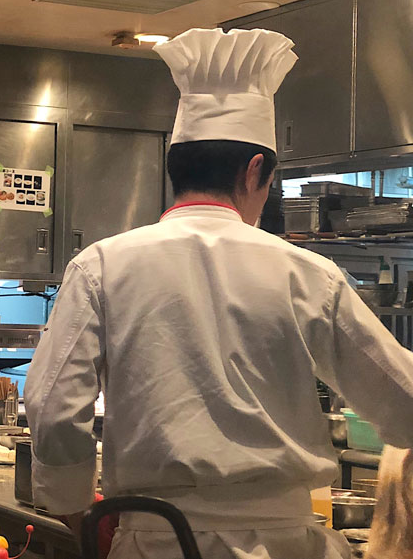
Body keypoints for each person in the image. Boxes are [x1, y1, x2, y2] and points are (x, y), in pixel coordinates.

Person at [25, 28, 413, 559]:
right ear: (256, 170)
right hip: (285, 544)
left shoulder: (102, 265)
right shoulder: (307, 274)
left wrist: (75, 508)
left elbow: (51, 406)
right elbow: (404, 400)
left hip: (155, 540)